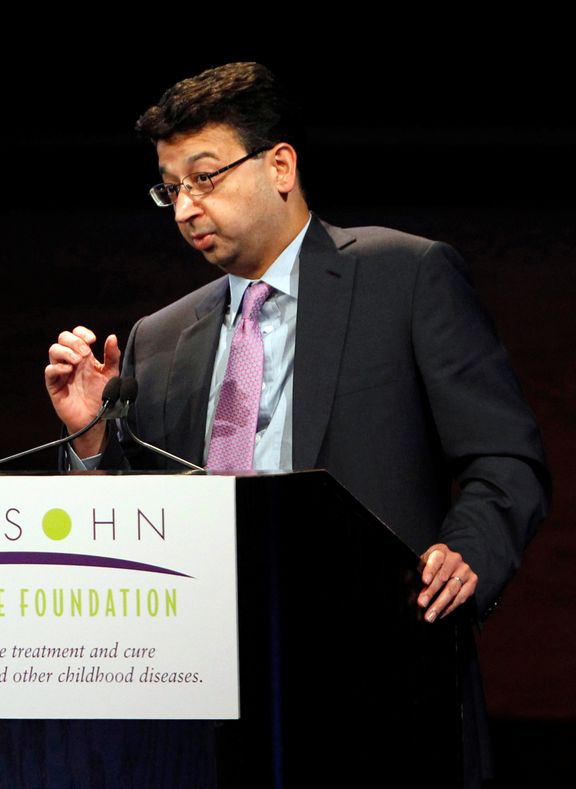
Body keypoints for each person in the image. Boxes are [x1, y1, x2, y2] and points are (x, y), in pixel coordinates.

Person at [45, 62, 550, 785]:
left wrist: (468, 550)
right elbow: (139, 521)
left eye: (206, 176)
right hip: (200, 687)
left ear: (280, 165)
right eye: (172, 187)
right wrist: (91, 438)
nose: (186, 206)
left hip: (380, 677)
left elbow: (508, 458)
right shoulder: (159, 337)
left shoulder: (405, 277)